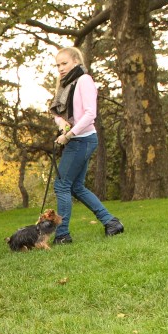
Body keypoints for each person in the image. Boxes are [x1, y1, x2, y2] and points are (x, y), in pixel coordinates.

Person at [48, 46, 123, 244]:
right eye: (58, 65)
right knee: (77, 187)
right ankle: (111, 222)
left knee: (62, 185)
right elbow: (58, 114)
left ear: (76, 62)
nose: (61, 68)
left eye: (64, 63)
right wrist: (63, 124)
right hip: (76, 139)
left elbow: (90, 114)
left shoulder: (84, 80)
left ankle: (62, 235)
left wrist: (70, 134)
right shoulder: (65, 85)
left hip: (82, 139)